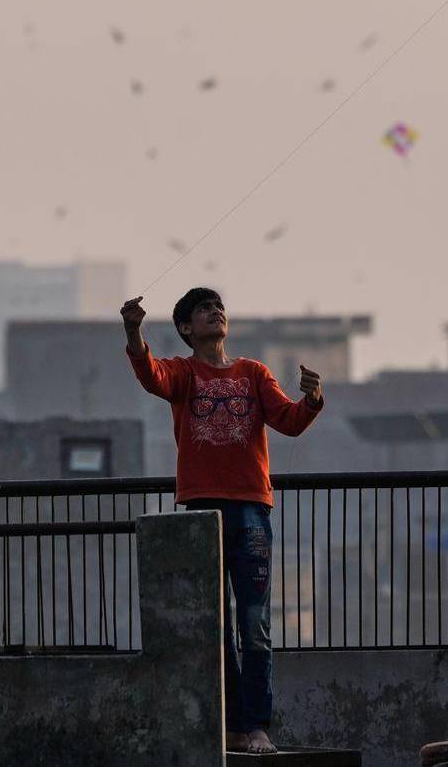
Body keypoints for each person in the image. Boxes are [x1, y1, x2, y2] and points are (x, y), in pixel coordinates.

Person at [122, 287, 324, 755]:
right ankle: (231, 726)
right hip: (201, 511)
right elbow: (151, 376)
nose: (216, 313)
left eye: (219, 308)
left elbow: (289, 421)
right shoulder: (183, 372)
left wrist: (312, 398)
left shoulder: (253, 373)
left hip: (251, 507)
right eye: (203, 310)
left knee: (253, 624)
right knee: (215, 624)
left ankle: (256, 726)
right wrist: (134, 330)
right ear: (187, 329)